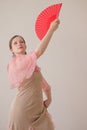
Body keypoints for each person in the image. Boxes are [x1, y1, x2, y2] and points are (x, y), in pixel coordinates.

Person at [7, 19, 60, 130]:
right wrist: (51, 30)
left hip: (38, 110)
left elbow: (46, 87)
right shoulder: (15, 65)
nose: (19, 44)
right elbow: (39, 52)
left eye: (22, 41)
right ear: (11, 49)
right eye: (15, 43)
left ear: (25, 46)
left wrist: (49, 99)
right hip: (22, 110)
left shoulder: (33, 67)